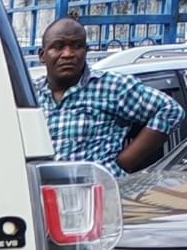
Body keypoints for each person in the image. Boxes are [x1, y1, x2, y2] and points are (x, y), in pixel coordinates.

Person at [37, 17, 183, 174]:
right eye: (58, 46)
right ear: (42, 55)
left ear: (85, 51)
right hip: (40, 193)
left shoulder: (113, 87)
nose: (68, 54)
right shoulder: (30, 95)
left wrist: (123, 163)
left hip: (97, 192)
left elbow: (170, 110)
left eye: (77, 46)